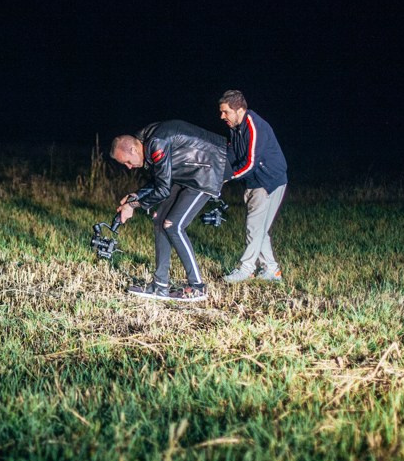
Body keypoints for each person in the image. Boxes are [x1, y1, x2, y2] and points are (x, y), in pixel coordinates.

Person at [110, 120, 227, 302]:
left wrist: (132, 206)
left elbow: (163, 189)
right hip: (186, 176)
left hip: (205, 173)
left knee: (174, 225)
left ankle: (198, 287)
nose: (129, 167)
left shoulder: (157, 144)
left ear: (133, 150)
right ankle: (160, 286)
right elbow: (160, 179)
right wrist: (136, 195)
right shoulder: (148, 141)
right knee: (159, 221)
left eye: (126, 162)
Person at [218, 90, 288, 283]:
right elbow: (233, 154)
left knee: (253, 227)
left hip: (268, 181)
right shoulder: (235, 127)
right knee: (260, 229)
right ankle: (272, 270)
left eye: (225, 112)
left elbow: (250, 163)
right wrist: (219, 171)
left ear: (239, 110)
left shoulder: (254, 126)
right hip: (253, 181)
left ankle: (246, 269)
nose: (222, 116)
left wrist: (227, 177)